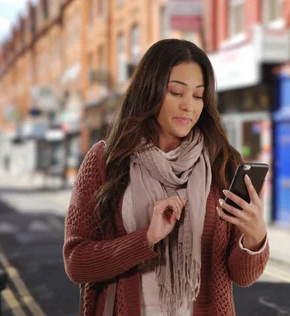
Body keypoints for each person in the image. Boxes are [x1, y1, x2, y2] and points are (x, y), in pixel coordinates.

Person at [63, 39, 269, 316]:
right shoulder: (105, 161)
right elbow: (77, 263)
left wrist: (255, 238)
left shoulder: (223, 162)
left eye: (198, 96)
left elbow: (242, 276)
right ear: (150, 91)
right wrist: (145, 239)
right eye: (176, 92)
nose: (188, 105)